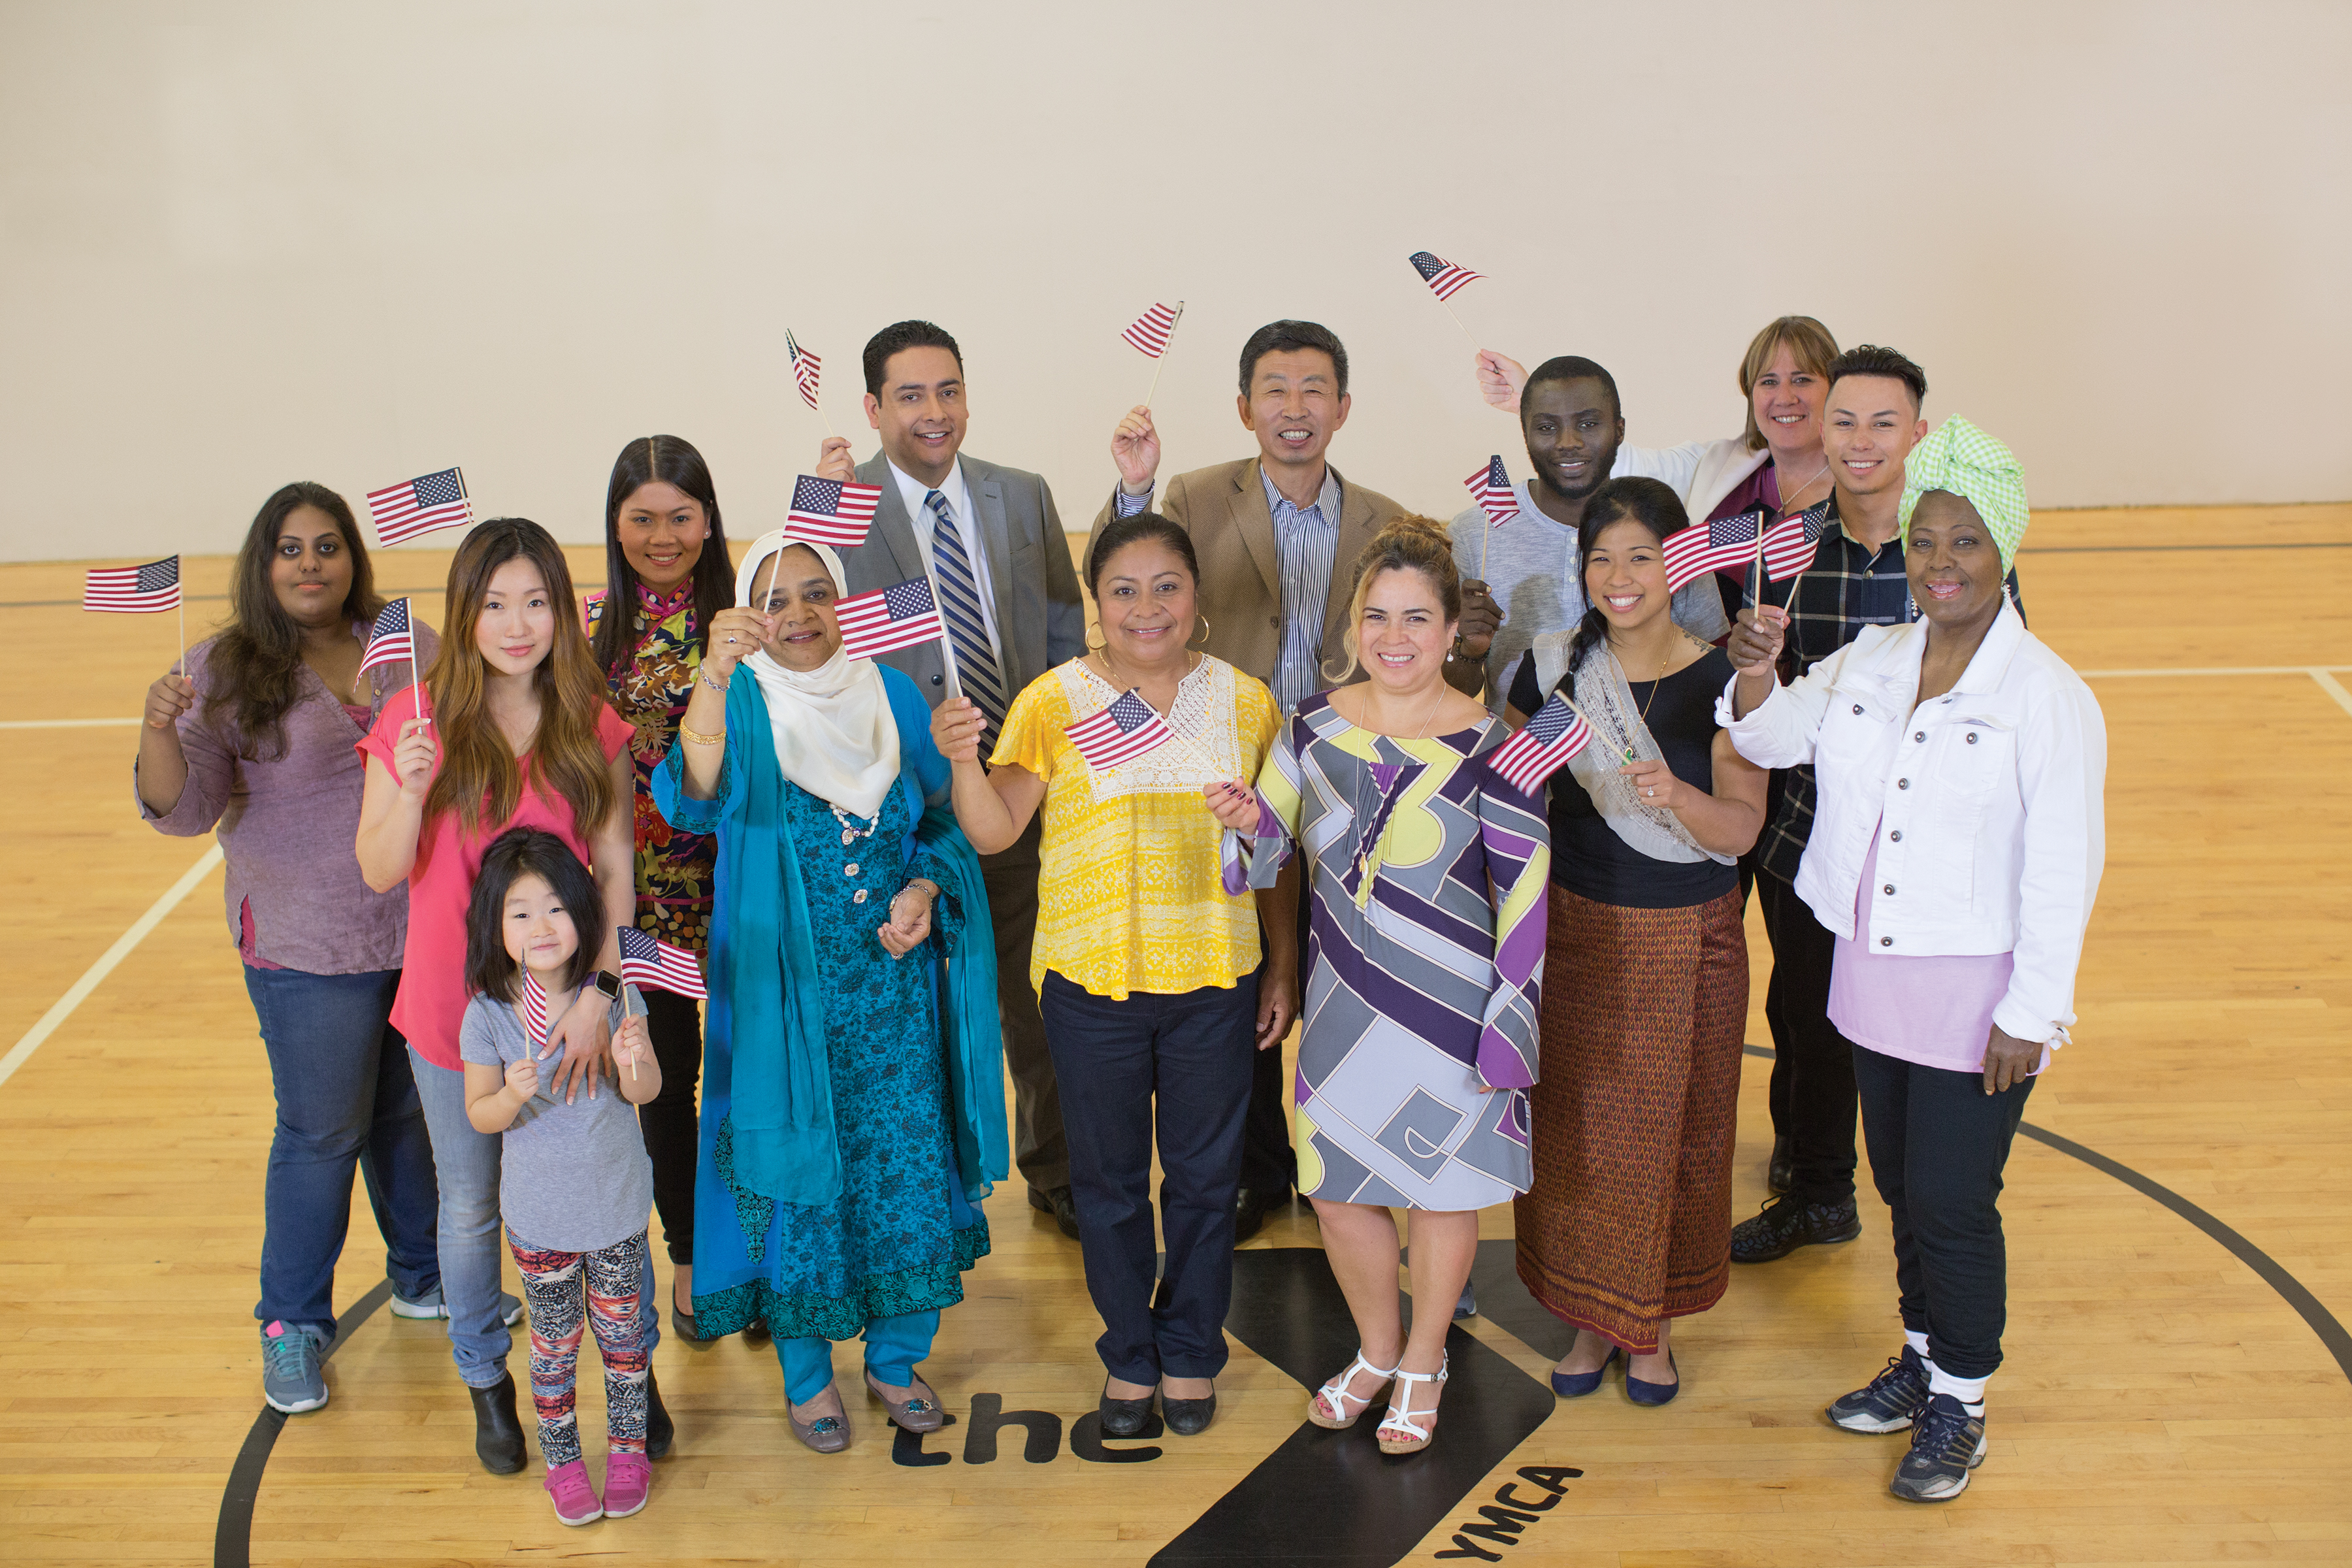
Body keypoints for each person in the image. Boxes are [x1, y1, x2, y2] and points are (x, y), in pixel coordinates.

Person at [1721, 419, 2103, 1503]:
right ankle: (1925, 1363)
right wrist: (1755, 678)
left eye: (1967, 544)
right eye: (1927, 540)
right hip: (1873, 979)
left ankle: (1963, 1407)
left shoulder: (2049, 699)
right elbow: (1769, 738)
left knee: (1949, 1201)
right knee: (1899, 1188)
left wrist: (2034, 1012)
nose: (1941, 562)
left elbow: (2065, 870)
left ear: (2007, 552)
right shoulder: (1877, 658)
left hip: (1977, 995)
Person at [933, 513, 1288, 1438]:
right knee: (1109, 1185)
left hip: (1216, 976)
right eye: (1123, 590)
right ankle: (1131, 1355)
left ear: (1196, 595)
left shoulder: (1248, 703)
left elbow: (1276, 850)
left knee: (1209, 1184)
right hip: (1091, 985)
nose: (1146, 608)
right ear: (1097, 603)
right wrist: (963, 760)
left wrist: (1281, 966)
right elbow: (993, 830)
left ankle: (1192, 1352)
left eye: (1166, 585)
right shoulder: (1053, 702)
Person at [650, 531, 1003, 1455]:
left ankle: (894, 1359)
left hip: (893, 996)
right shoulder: (747, 704)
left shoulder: (888, 692)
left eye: (817, 592)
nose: (799, 614)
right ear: (745, 613)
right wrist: (717, 680)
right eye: (775, 598)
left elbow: (937, 824)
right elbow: (690, 796)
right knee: (795, 1174)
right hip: (781, 1001)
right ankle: (807, 1377)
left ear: (844, 600)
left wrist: (924, 890)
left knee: (902, 1168)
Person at [1207, 517, 1548, 1456]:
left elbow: (1525, 894)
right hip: (1344, 1004)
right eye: (1377, 617)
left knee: (1445, 1194)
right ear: (1352, 626)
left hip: (1454, 1006)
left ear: (1450, 632)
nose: (1394, 637)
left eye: (1417, 618)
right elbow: (1267, 854)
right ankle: (1376, 1346)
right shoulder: (1310, 727)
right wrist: (1246, 823)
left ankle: (1426, 1360)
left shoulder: (1493, 744)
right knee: (1339, 1187)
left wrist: (1510, 1023)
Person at [355, 517, 667, 1473]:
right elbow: (376, 871)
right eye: (494, 604)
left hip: (578, 1003)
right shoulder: (417, 717)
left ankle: (631, 1372)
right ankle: (488, 1385)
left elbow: (616, 870)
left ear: (563, 612)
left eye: (536, 601)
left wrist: (601, 995)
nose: (517, 622)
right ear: (465, 612)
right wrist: (408, 792)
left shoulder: (590, 719)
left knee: (606, 1189)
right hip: (459, 1015)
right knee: (474, 1206)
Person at [1090, 319, 1411, 1242]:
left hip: (1349, 776)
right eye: (1275, 389)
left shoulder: (1387, 517)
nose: (1295, 407)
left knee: (1351, 974)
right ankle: (1259, 1169)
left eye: (1315, 389)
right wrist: (1136, 487)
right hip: (1229, 775)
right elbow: (1124, 571)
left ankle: (1347, 1161)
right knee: (1245, 984)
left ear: (1342, 408)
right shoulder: (1190, 496)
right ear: (1245, 408)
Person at [135, 482, 442, 1415]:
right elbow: (181, 813)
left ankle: (424, 1276)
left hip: (414, 929)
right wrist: (158, 728)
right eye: (290, 549)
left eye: (327, 546)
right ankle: (293, 1324)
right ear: (263, 565)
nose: (311, 564)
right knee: (321, 1132)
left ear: (354, 555)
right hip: (308, 946)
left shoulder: (407, 646)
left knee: (406, 1120)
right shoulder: (223, 668)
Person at [1723, 346, 2025, 1267]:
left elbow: (2006, 700)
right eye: (1843, 421)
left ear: (1918, 435)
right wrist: (1752, 666)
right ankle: (1816, 1189)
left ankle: (1926, 1211)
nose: (1860, 442)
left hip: (1920, 861)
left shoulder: (1961, 559)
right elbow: (1765, 713)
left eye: (1883, 423)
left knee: (1896, 1043)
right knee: (1804, 1019)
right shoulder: (1786, 551)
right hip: (1805, 839)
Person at [814, 319, 1086, 1241]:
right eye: (910, 396)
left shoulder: (1023, 495)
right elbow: (811, 648)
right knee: (906, 1015)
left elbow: (1060, 637)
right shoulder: (840, 508)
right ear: (872, 408)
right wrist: (818, 492)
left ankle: (1055, 1172)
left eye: (948, 392)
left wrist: (1042, 770)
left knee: (1036, 1002)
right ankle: (921, 1195)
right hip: (897, 810)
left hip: (1016, 791)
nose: (934, 413)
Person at [1507, 478, 1766, 1405]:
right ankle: (1588, 1322)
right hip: (1572, 934)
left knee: (1671, 1141)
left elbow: (1740, 831)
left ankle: (1647, 1329)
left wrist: (1678, 797)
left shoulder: (1722, 684)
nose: (1618, 577)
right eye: (1601, 558)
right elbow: (1507, 794)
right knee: (1576, 1137)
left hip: (1685, 939)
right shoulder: (1551, 673)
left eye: (1642, 557)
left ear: (1680, 564)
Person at [460, 829, 663, 1526]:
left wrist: (634, 1054)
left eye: (555, 908)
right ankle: (564, 1463)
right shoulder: (487, 1015)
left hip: (616, 1211)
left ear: (583, 913)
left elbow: (646, 1093)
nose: (542, 927)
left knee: (625, 1341)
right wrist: (512, 1096)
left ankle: (630, 1452)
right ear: (494, 925)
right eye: (520, 913)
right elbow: (482, 1116)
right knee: (552, 1350)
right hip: (541, 1220)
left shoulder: (611, 995)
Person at [585, 434, 730, 1338]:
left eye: (679, 516)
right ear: (616, 525)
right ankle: (689, 1256)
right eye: (642, 519)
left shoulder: (740, 617)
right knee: (666, 1082)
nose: (662, 535)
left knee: (750, 1077)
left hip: (742, 889)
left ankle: (754, 1246)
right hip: (640, 904)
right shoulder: (593, 624)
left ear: (708, 520)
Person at [1446, 353, 1737, 707]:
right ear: (1525, 433)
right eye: (1547, 427)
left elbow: (1713, 672)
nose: (1568, 442)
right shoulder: (1475, 533)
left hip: (1655, 755)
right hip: (1523, 752)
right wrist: (1468, 649)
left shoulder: (1662, 523)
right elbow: (1445, 691)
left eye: (1587, 424)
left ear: (1619, 429)